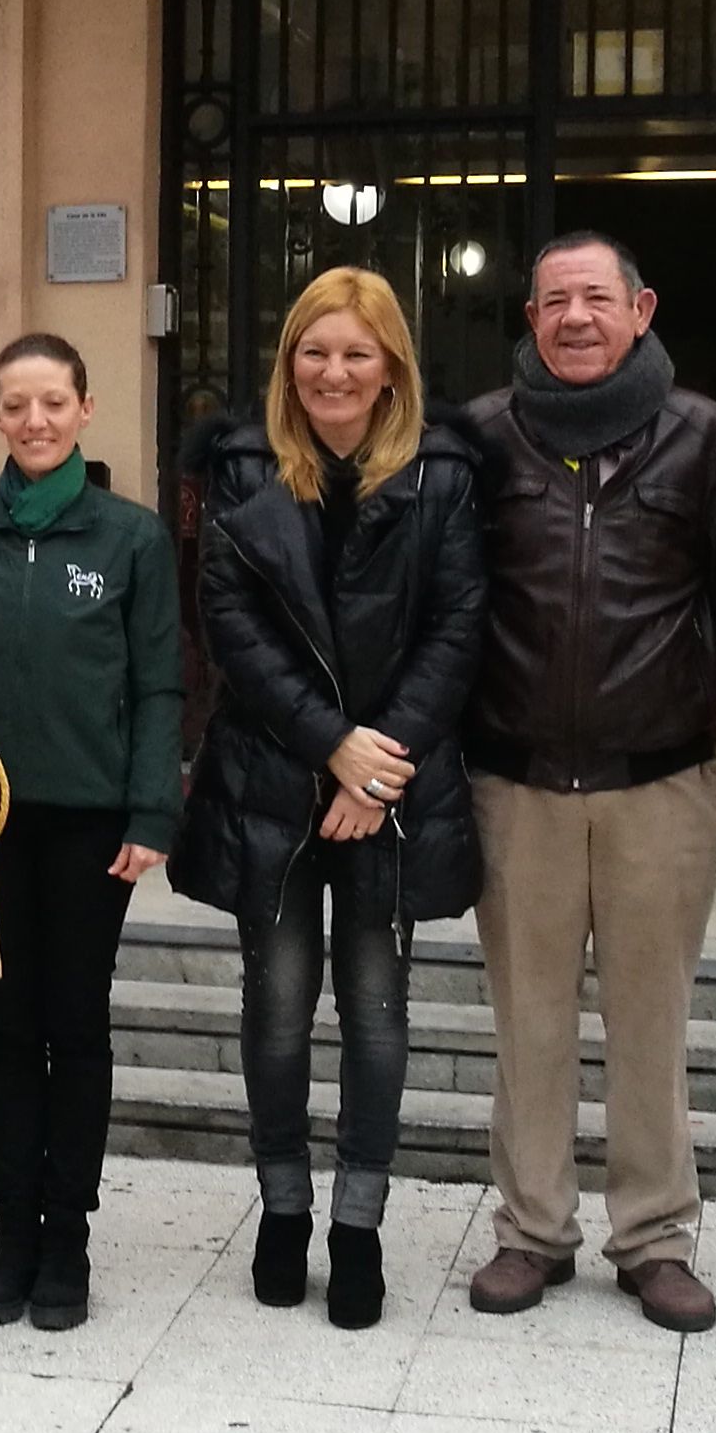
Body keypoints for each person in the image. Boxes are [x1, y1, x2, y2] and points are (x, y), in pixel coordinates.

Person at [174, 267, 485, 1332]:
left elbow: (457, 626)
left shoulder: (442, 474)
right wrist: (329, 749)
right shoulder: (242, 469)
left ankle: (357, 1226)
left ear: (389, 363)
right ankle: (282, 1210)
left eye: (355, 353)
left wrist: (375, 766)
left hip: (390, 791)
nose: (332, 372)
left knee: (376, 1014)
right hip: (273, 780)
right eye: (314, 351)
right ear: (286, 361)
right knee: (273, 1011)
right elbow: (231, 626)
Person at [454, 234, 716, 1333]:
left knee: (649, 1018)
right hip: (515, 782)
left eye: (594, 298)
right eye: (552, 301)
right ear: (527, 318)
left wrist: (672, 688)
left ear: (640, 307)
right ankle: (530, 1232)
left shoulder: (703, 438)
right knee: (524, 1018)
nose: (574, 317)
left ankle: (654, 1237)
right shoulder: (480, 436)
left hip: (655, 783)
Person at [0, 333, 182, 1334]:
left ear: (84, 409)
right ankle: (10, 1227)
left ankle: (68, 1234)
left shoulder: (129, 539)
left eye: (52, 403)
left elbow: (157, 686)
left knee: (76, 1025)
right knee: (7, 1031)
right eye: (15, 404)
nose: (34, 421)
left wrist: (153, 811)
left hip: (91, 826)